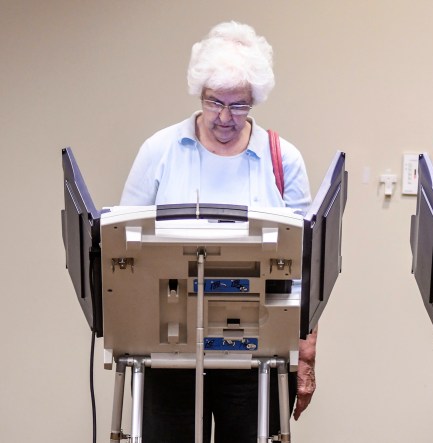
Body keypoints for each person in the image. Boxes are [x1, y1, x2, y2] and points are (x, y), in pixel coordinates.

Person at [120, 21, 317, 442]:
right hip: (167, 352)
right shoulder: (160, 152)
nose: (225, 117)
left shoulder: (282, 160)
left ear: (255, 100)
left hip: (255, 354)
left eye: (240, 105)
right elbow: (125, 250)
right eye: (215, 102)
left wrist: (306, 349)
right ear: (199, 93)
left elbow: (305, 262)